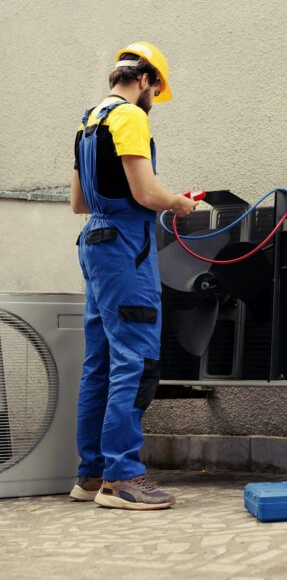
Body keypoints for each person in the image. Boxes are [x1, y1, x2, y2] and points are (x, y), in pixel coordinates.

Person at [69, 41, 197, 509]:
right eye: (154, 91)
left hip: (94, 242)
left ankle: (90, 475)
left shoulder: (88, 123)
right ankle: (122, 477)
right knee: (137, 359)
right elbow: (145, 193)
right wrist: (179, 202)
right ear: (145, 80)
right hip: (126, 246)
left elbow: (79, 204)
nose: (152, 104)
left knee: (99, 362)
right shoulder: (129, 117)